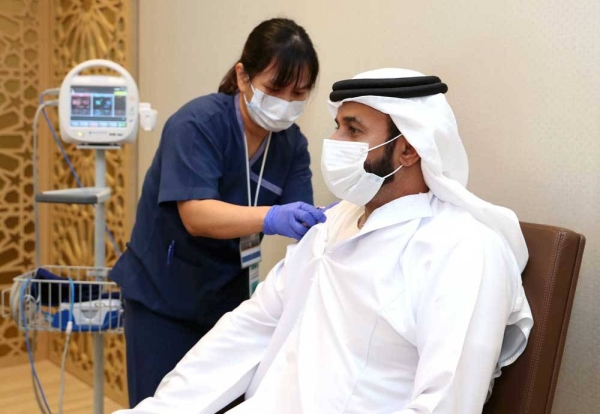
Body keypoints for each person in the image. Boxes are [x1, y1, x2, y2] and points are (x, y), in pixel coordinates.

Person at [114, 68, 534, 414]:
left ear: (408, 150)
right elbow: (251, 328)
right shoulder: (333, 224)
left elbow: (446, 404)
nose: (334, 144)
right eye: (337, 127)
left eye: (353, 131)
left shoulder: (462, 249)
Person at [109, 18, 326, 407]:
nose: (287, 104)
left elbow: (302, 220)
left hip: (227, 301)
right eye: (276, 89)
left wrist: (334, 221)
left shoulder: (291, 145)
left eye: (299, 94)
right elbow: (196, 214)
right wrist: (270, 217)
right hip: (164, 299)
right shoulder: (197, 124)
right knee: (163, 403)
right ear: (243, 77)